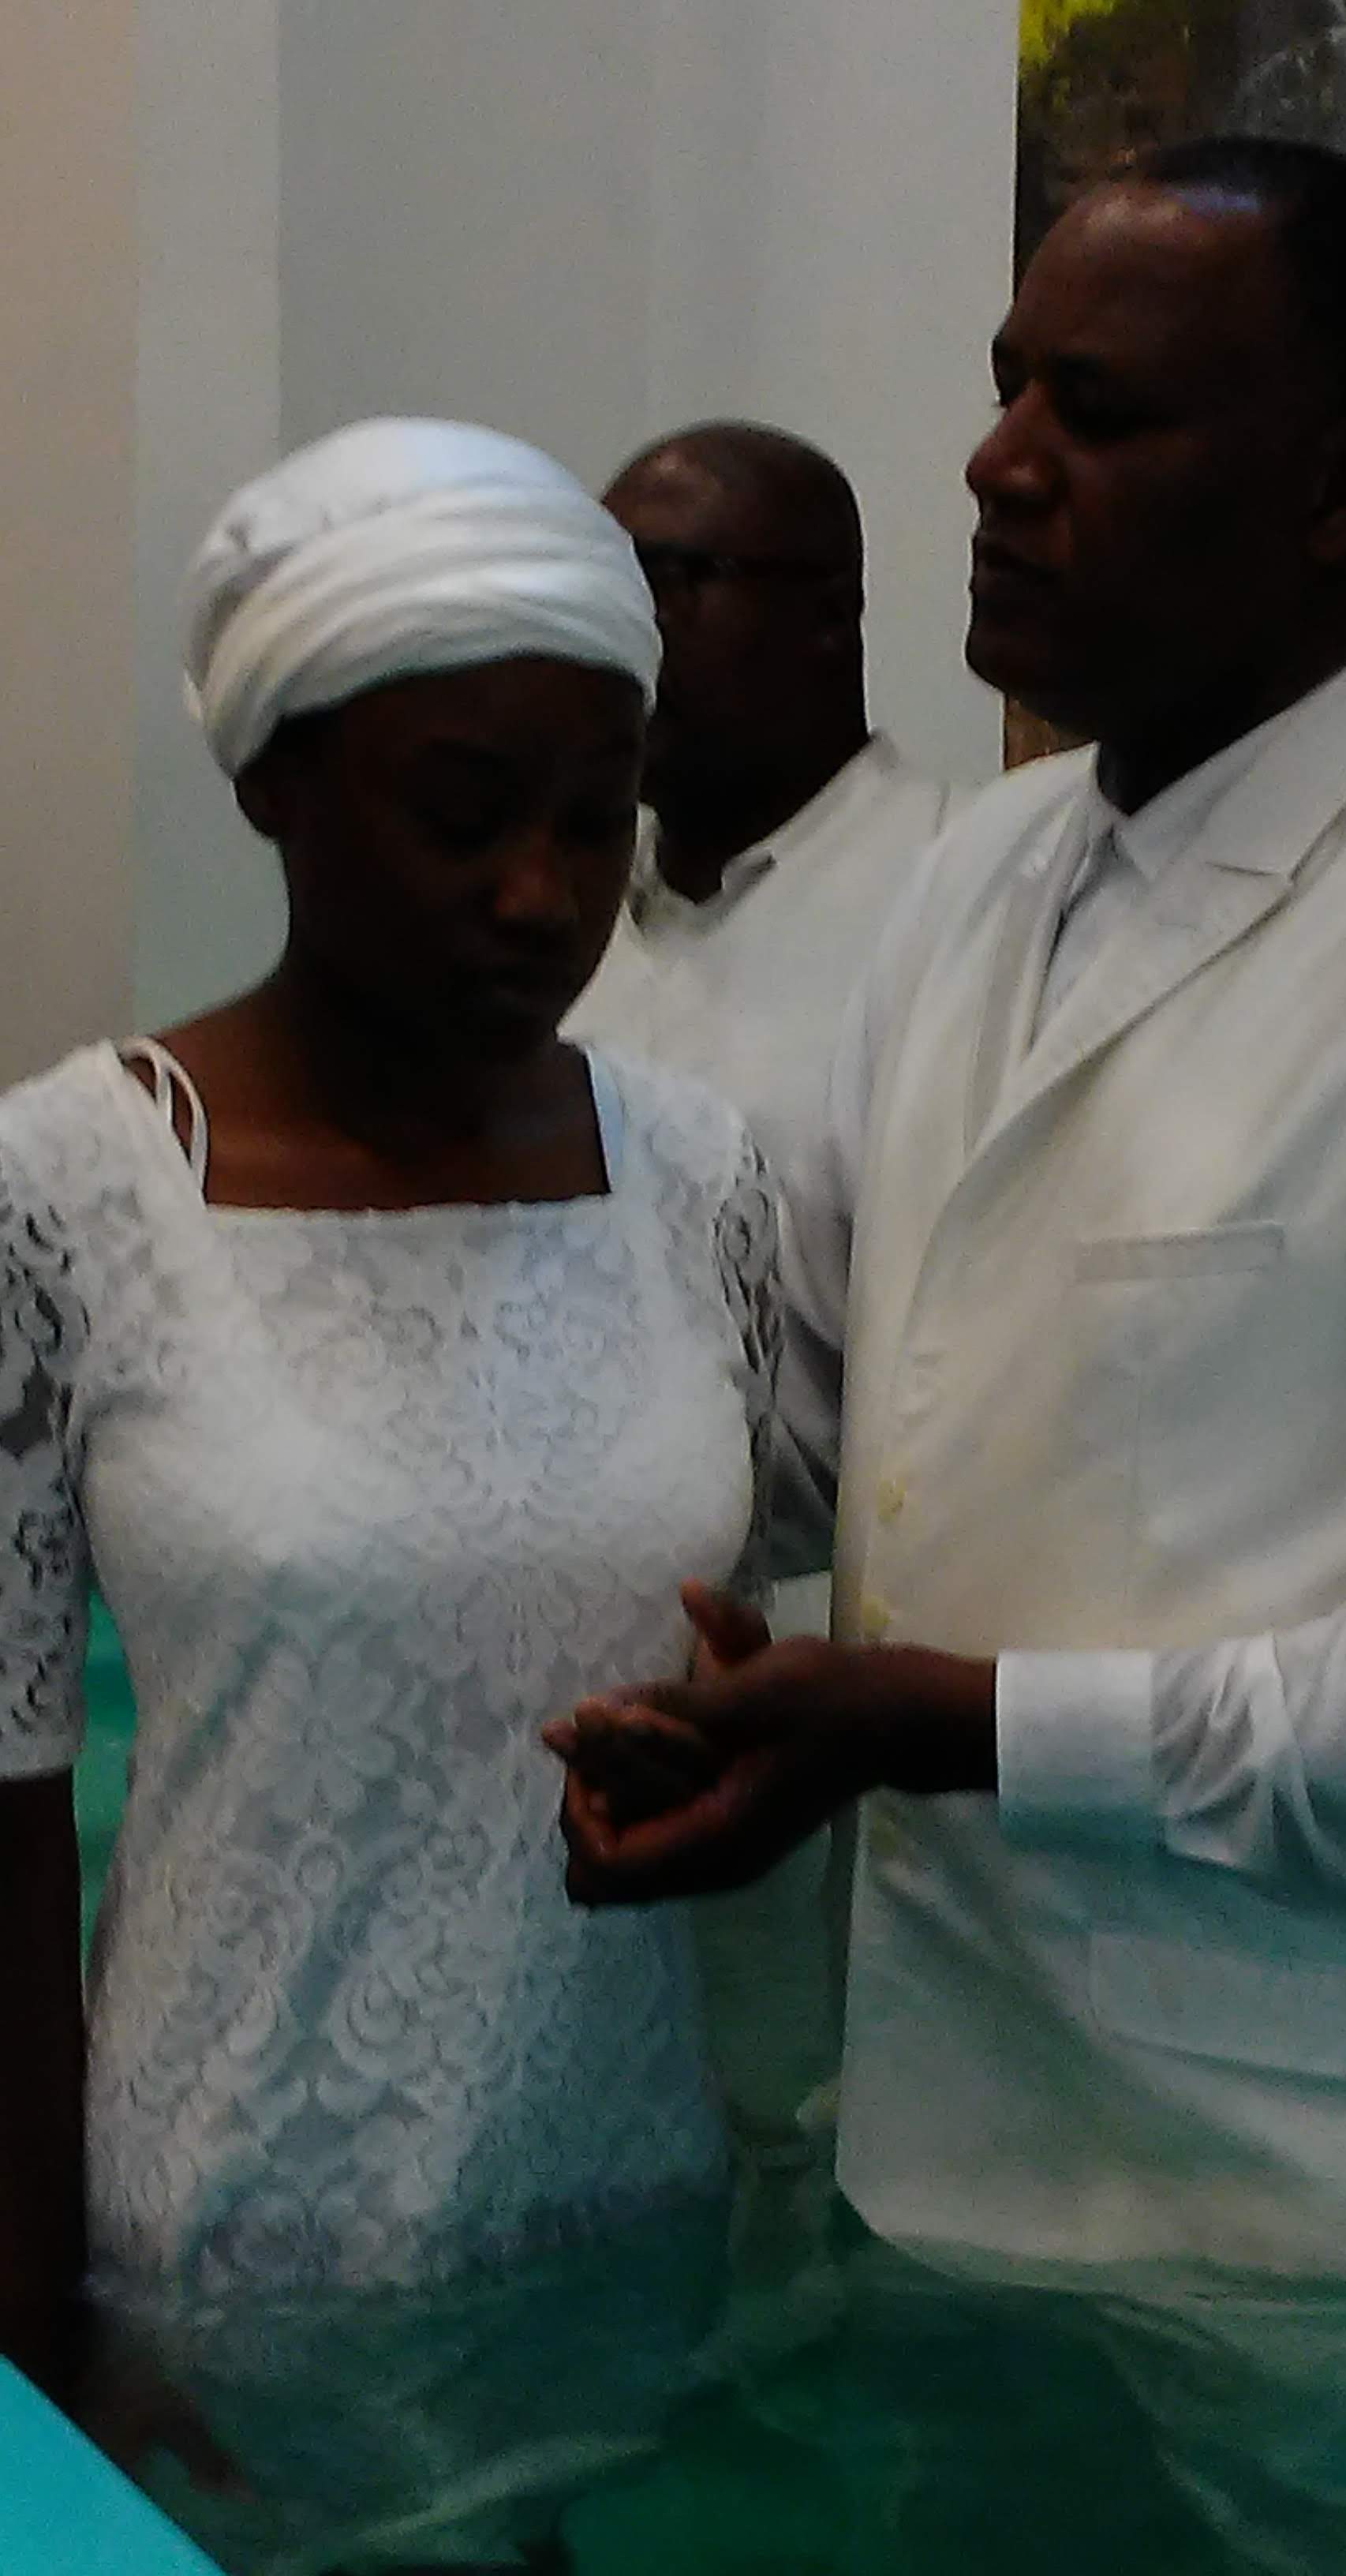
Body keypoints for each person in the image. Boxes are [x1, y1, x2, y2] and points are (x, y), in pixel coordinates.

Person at [551, 140, 1346, 2574]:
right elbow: (825, 1425)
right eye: (1000, 385)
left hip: (1330, 2261)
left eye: (1099, 413)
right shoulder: (979, 879)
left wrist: (953, 1727)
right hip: (941, 2169)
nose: (992, 461)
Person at [0, 417, 780, 2573]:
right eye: (459, 814)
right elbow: (4, 1819)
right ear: (275, 779)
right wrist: (40, 2344)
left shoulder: (702, 1180)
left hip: (623, 2229)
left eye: (594, 819)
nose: (538, 893)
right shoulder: (68, 1195)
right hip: (224, 2270)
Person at [568, 421, 958, 1189]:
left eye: (671, 580)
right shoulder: (559, 915)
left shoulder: (962, 884)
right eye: (603, 589)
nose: (625, 631)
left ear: (829, 615)